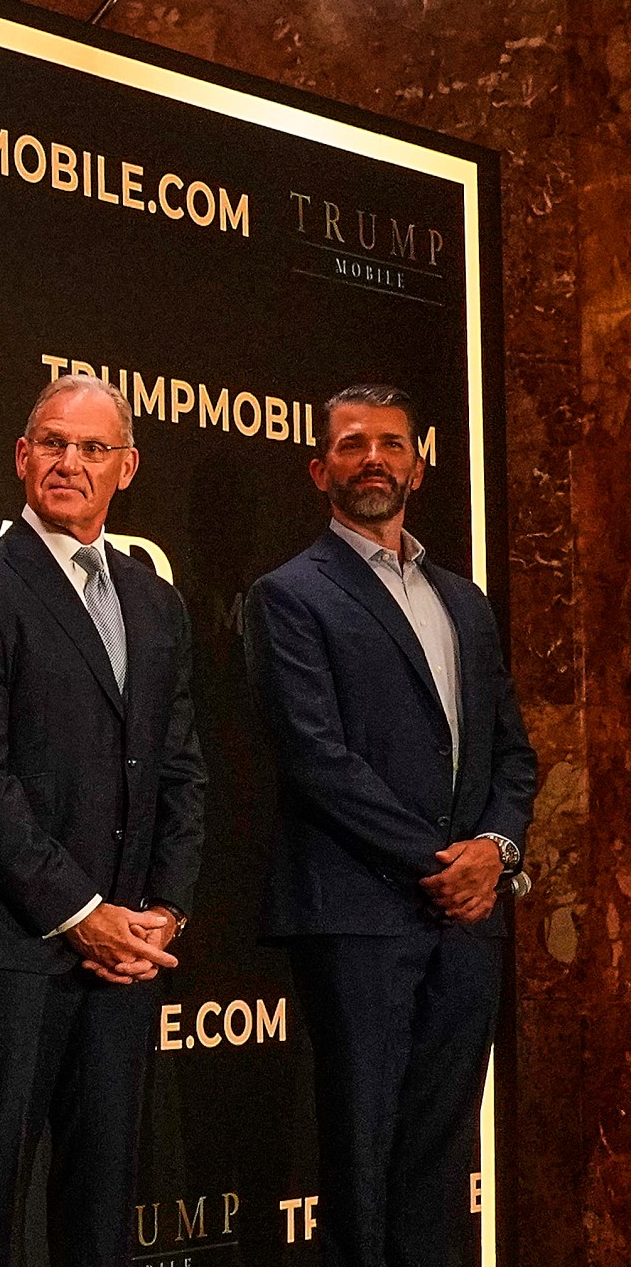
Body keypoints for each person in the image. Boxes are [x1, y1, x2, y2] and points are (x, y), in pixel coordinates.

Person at [0, 372, 208, 1267]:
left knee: (103, 1195)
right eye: (53, 443)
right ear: (22, 456)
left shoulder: (154, 600)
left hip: (128, 952)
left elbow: (180, 767)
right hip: (16, 941)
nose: (69, 462)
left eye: (91, 448)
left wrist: (164, 910)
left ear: (128, 467)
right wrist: (81, 914)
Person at [244, 383, 537, 1267]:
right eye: (352, 444)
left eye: (392, 443)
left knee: (441, 1162)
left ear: (420, 461)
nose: (374, 457)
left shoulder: (466, 599)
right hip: (359, 914)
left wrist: (495, 851)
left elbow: (512, 755)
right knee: (360, 1161)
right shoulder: (289, 594)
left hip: (468, 921)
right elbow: (316, 758)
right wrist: (442, 862)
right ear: (319, 468)